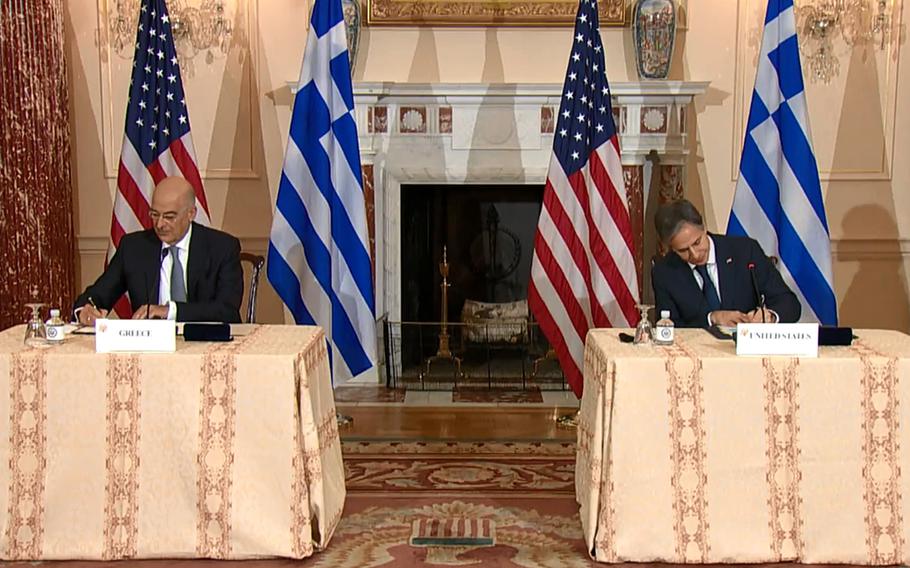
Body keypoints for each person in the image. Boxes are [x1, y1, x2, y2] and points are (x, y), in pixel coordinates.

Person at [74, 176, 243, 324]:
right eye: (154, 214)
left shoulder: (222, 248)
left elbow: (227, 310)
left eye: (169, 217)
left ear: (191, 214)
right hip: (150, 351)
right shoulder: (134, 248)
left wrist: (168, 311)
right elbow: (97, 294)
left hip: (205, 344)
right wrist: (85, 309)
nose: (160, 224)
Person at [651, 199, 800, 328]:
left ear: (704, 227)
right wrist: (712, 318)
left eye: (697, 242)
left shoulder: (745, 252)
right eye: (683, 250)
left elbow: (789, 303)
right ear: (671, 248)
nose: (695, 254)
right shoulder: (665, 272)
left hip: (746, 354)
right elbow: (668, 326)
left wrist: (770, 316)